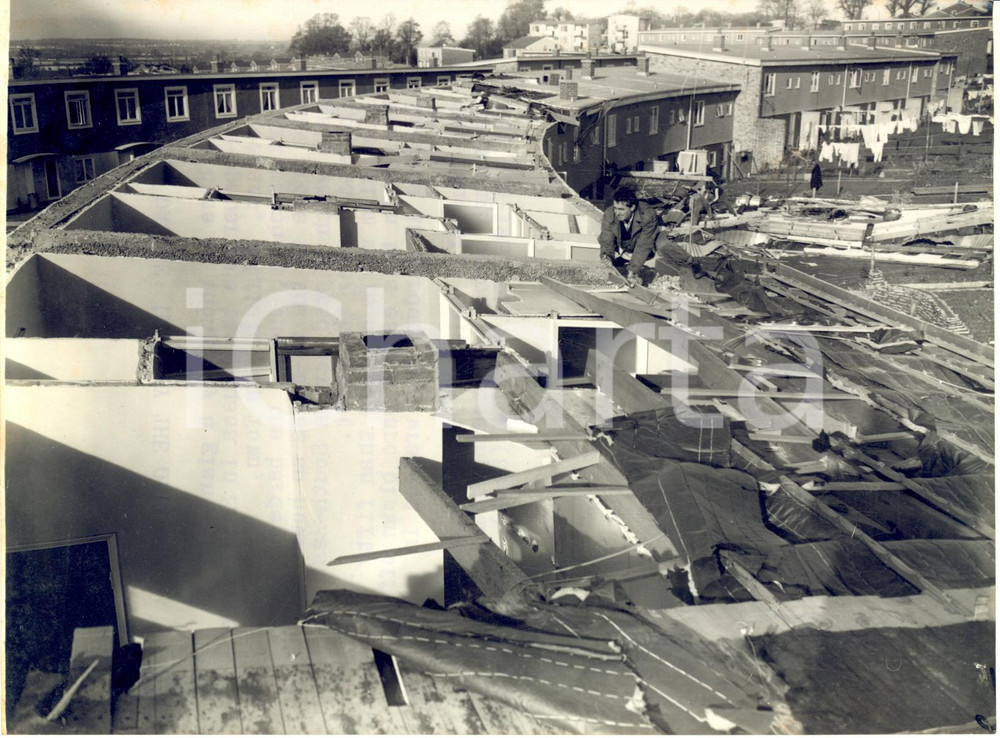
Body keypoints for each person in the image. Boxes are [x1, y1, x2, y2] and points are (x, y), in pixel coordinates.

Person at [598, 186, 658, 287]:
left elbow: (643, 245)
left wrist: (632, 271)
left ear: (632, 207)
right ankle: (621, 260)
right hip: (622, 245)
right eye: (615, 208)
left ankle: (629, 263)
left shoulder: (648, 215)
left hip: (640, 245)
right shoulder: (609, 213)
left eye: (621, 209)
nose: (617, 213)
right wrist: (607, 256)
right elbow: (606, 239)